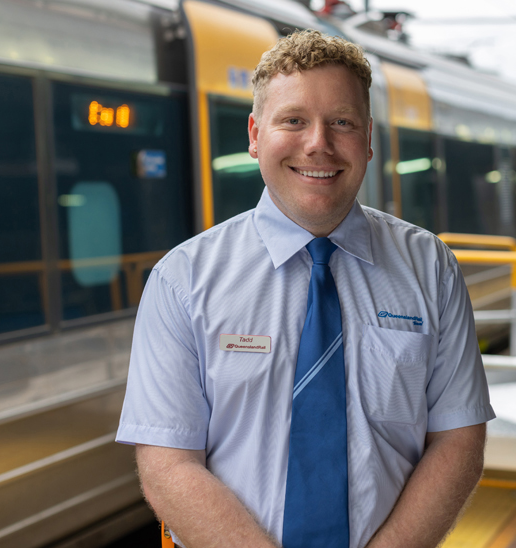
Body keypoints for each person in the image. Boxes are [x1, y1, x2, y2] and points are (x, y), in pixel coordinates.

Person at [116, 30, 495, 548]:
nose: (318, 142)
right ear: (254, 134)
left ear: (367, 141)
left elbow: (458, 441)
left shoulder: (430, 268)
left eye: (342, 122)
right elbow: (168, 463)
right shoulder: (182, 281)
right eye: (293, 120)